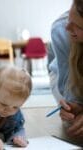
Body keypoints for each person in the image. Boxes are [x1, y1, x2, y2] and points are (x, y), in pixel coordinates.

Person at [48, 0, 83, 146]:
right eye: (70, 17)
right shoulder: (61, 30)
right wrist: (76, 106)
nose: (68, 26)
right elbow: (70, 89)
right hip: (64, 75)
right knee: (73, 121)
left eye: (78, 26)